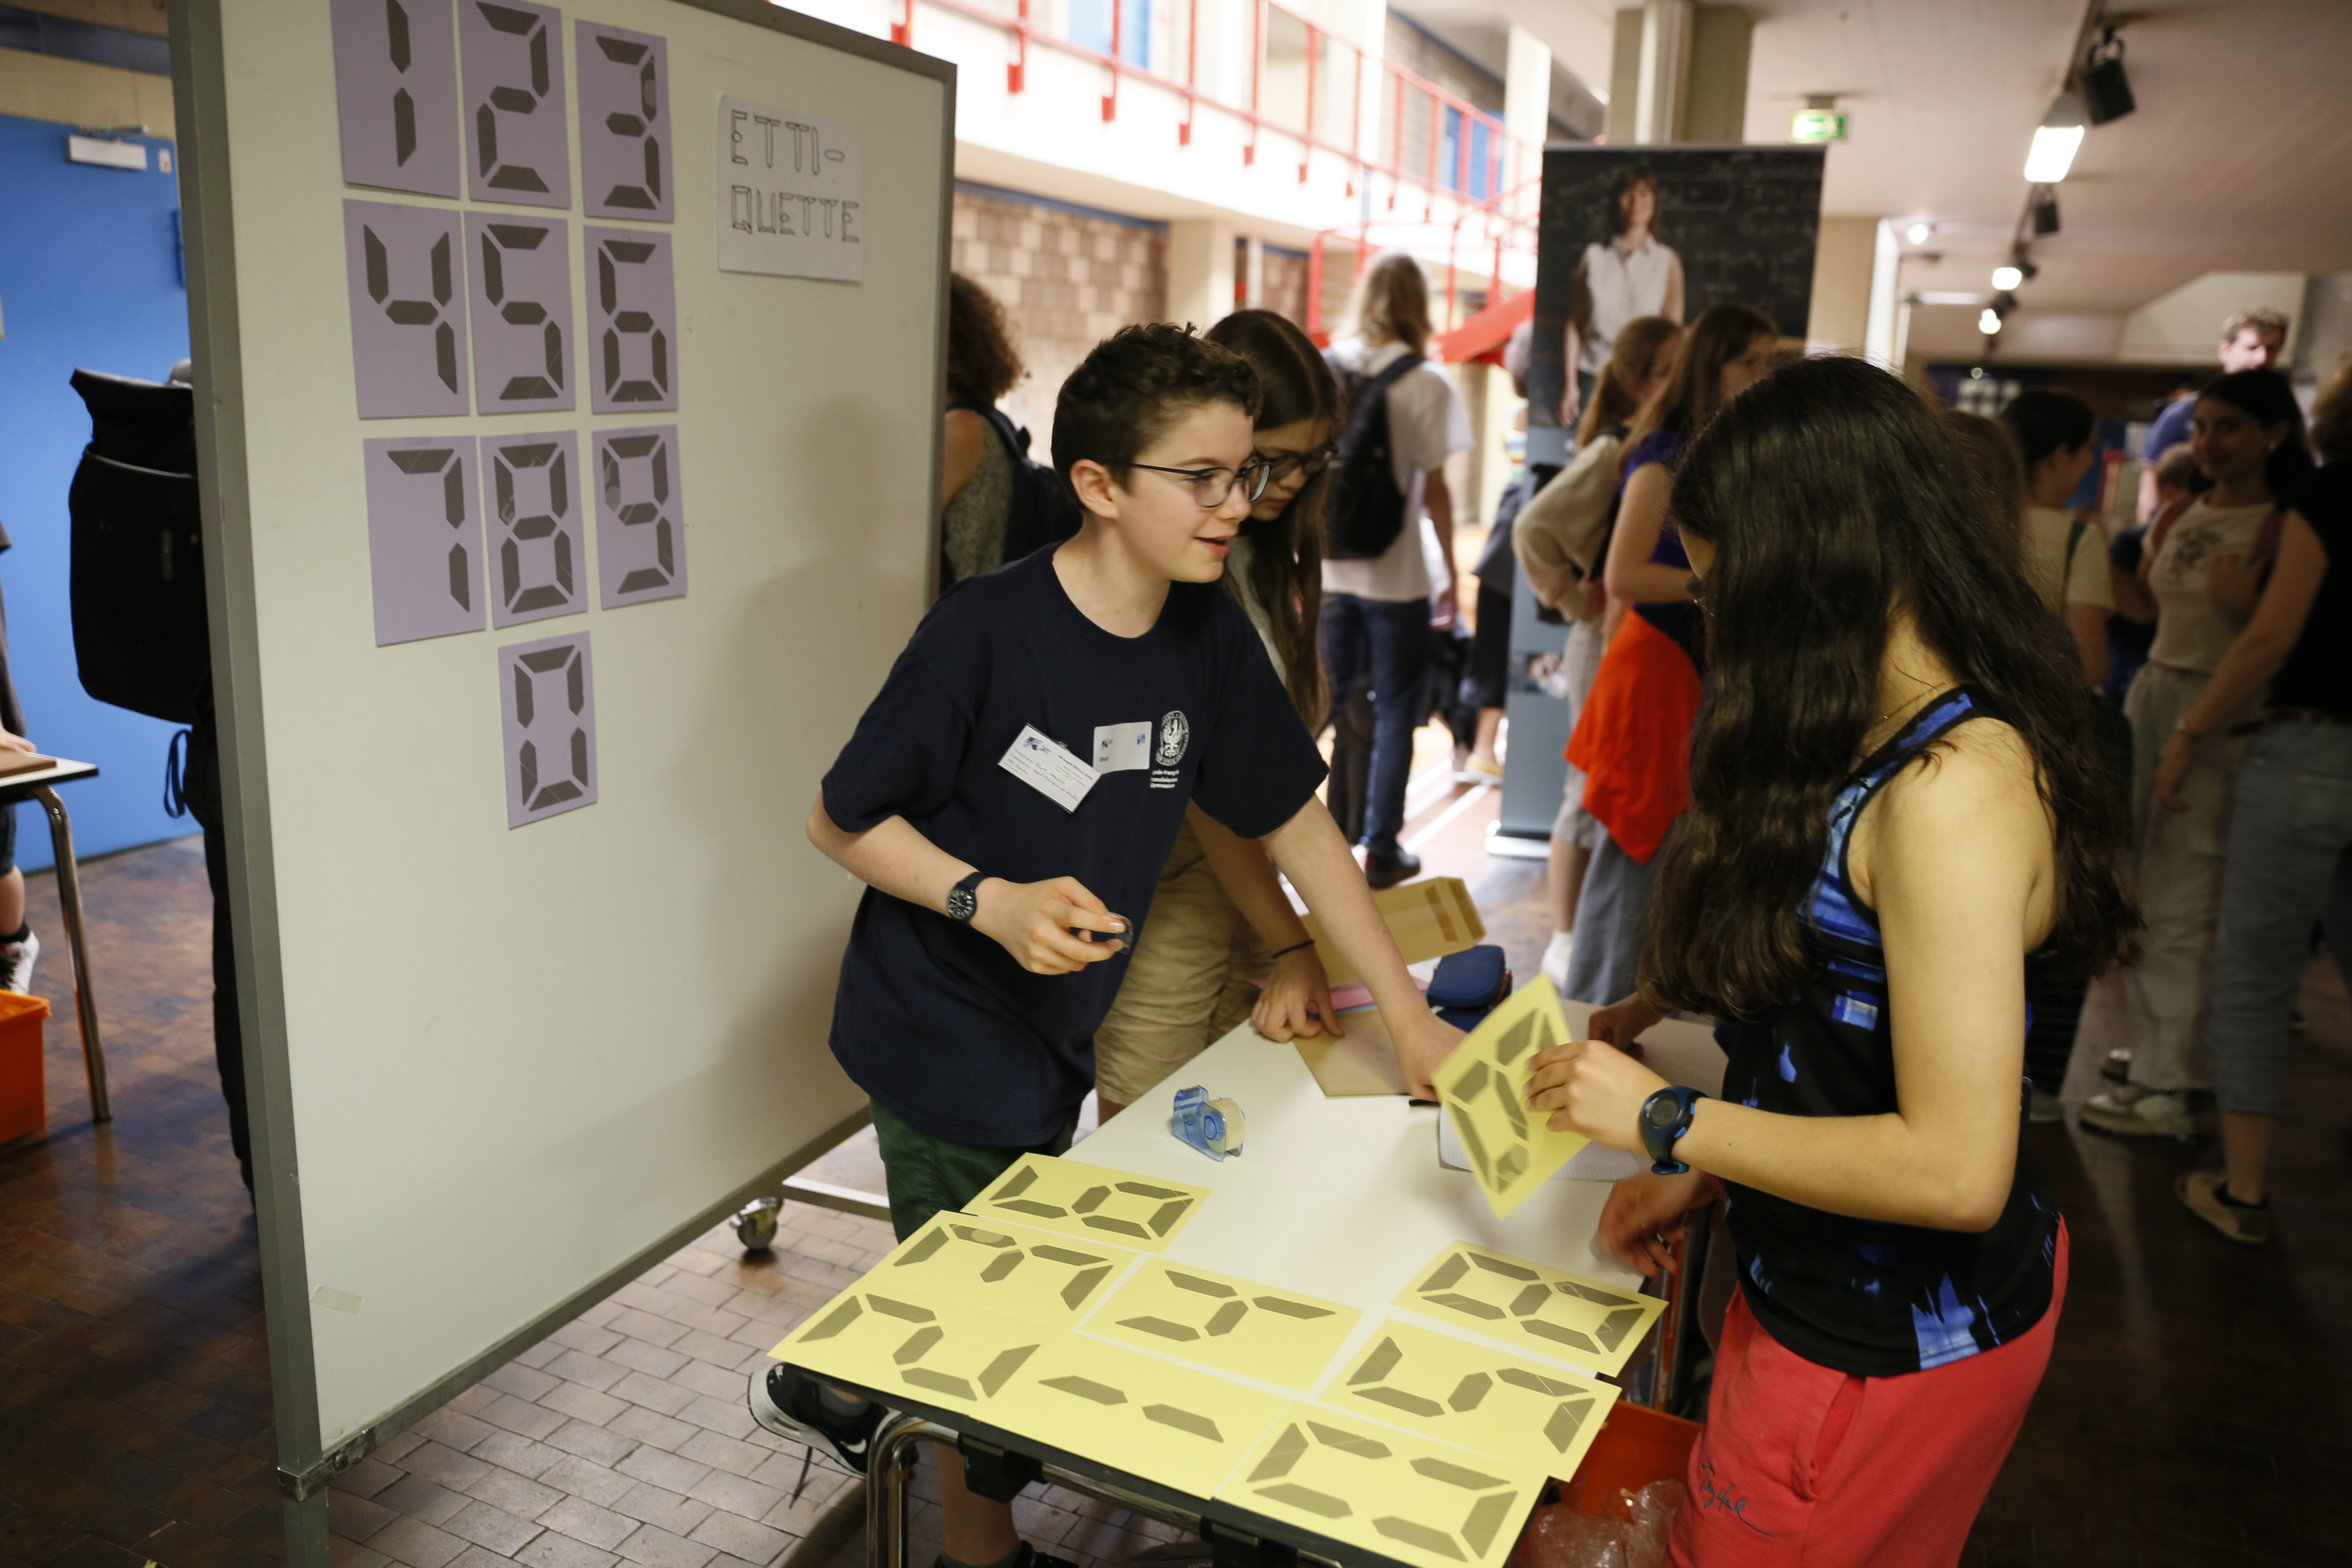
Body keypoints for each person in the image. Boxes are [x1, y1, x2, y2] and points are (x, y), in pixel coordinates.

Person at [789, 323, 1464, 1568]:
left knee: (993, 1274)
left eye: (1248, 475)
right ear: (1098, 485)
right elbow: (842, 816)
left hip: (1052, 1023)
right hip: (939, 1020)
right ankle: (970, 1545)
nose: (1237, 506)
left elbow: (1302, 832)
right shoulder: (985, 632)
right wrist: (982, 899)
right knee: (979, 1306)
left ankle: (883, 1399)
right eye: (1202, 480)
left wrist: (1410, 1022)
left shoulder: (1204, 634)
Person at [1528, 355, 2138, 1565]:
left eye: (1724, 590)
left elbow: (1958, 1167)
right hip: (1843, 1303)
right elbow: (1846, 1039)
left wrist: (1668, 1122)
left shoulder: (1951, 791)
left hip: (1872, 1352)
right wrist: (1705, 1174)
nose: (1717, 621)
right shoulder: (1894, 733)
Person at [1092, 309, 1344, 1119]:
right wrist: (1294, 938)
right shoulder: (1179, 568)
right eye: (1271, 461)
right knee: (1153, 1135)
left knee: (1241, 1119)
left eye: (1314, 459)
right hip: (1171, 885)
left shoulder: (1262, 558)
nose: (1289, 482)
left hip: (1244, 883)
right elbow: (1209, 797)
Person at [2082, 369, 2315, 1139]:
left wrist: (2237, 607)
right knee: (2147, 884)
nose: (2210, 442)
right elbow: (2152, 608)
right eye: (2203, 427)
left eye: (2230, 428)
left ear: (2275, 433)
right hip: (2155, 691)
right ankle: (2158, 1052)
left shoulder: (2286, 521)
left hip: (2220, 711)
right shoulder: (2187, 508)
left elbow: (2279, 639)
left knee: (2186, 894)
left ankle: (2170, 1083)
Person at [1557, 303, 1776, 1005]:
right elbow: (1624, 575)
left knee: (1670, 871)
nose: (1760, 376)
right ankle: (1589, 1026)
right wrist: (1729, 578)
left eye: (1767, 362)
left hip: (1686, 674)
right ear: (1710, 364)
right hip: (1655, 674)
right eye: (1748, 361)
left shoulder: (1722, 448)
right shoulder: (1666, 454)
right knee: (1631, 866)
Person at [2159, 437, 2346, 1244]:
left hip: (2308, 749)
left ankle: (2243, 1189)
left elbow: (2273, 636)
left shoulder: (2333, 492)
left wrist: (2189, 733)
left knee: (2257, 973)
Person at [1520, 314, 1684, 989]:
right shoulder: (1627, 449)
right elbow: (1536, 529)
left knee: (1602, 792)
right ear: (1643, 379)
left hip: (1630, 642)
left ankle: (1581, 943)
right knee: (1587, 792)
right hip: (1605, 640)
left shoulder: (1651, 446)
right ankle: (1566, 943)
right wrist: (1571, 599)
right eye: (1673, 365)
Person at [1320, 253, 1472, 888]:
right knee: (1395, 713)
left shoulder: (1329, 367)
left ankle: (1322, 842)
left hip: (1330, 575)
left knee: (1331, 706)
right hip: (1400, 577)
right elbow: (1435, 490)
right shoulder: (1427, 381)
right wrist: (1450, 578)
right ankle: (1382, 846)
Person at [1453, 319, 1535, 784]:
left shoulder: (1512, 420)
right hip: (1520, 549)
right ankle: (1487, 748)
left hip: (1502, 541)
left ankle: (1482, 747)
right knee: (1514, 648)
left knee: (1493, 647)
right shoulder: (1554, 422)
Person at [2000, 389, 2115, 689]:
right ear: (2061, 457)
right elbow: (2089, 664)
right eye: (2089, 448)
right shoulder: (2079, 539)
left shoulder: (1974, 521)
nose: (2091, 461)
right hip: (2039, 711)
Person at [2136, 307, 2290, 521]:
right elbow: (2152, 481)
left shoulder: (2282, 416)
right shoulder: (2183, 413)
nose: (2262, 359)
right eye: (2252, 348)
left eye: (2271, 349)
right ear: (2226, 351)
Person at [1565, 164, 1685, 426]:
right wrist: (1570, 385)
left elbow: (1673, 331)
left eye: (1644, 194)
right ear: (1616, 201)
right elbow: (1576, 323)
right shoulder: (1595, 256)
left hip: (1642, 381)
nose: (1636, 202)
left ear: (1654, 201)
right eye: (1628, 194)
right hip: (1593, 374)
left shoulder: (1667, 261)